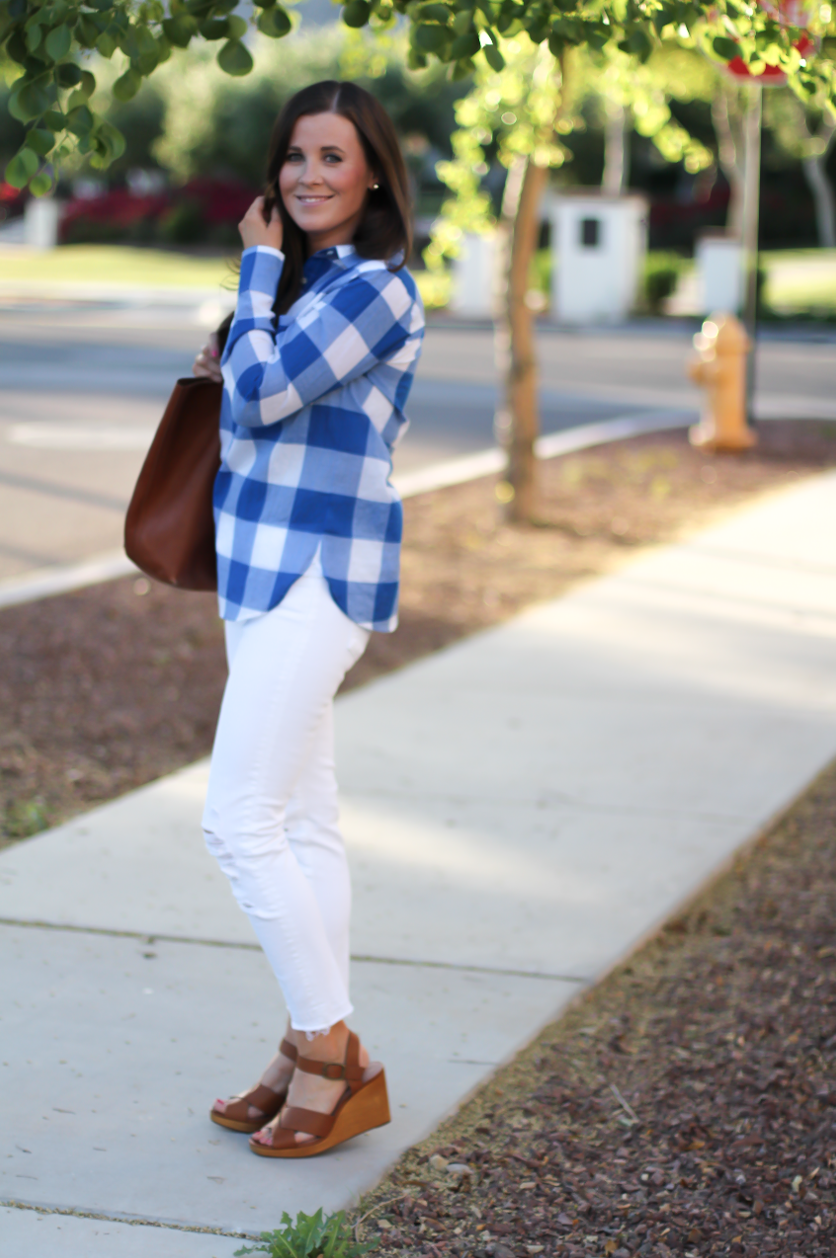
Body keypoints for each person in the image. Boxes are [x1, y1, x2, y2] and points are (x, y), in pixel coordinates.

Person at [191, 80, 424, 1158]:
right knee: (304, 820)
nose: (308, 175)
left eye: (332, 157)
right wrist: (250, 315)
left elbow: (260, 394)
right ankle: (308, 1045)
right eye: (294, 155)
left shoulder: (374, 288)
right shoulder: (300, 287)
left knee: (236, 818)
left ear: (372, 169)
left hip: (317, 576)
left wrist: (248, 287)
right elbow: (251, 391)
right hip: (258, 571)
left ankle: (333, 1053)